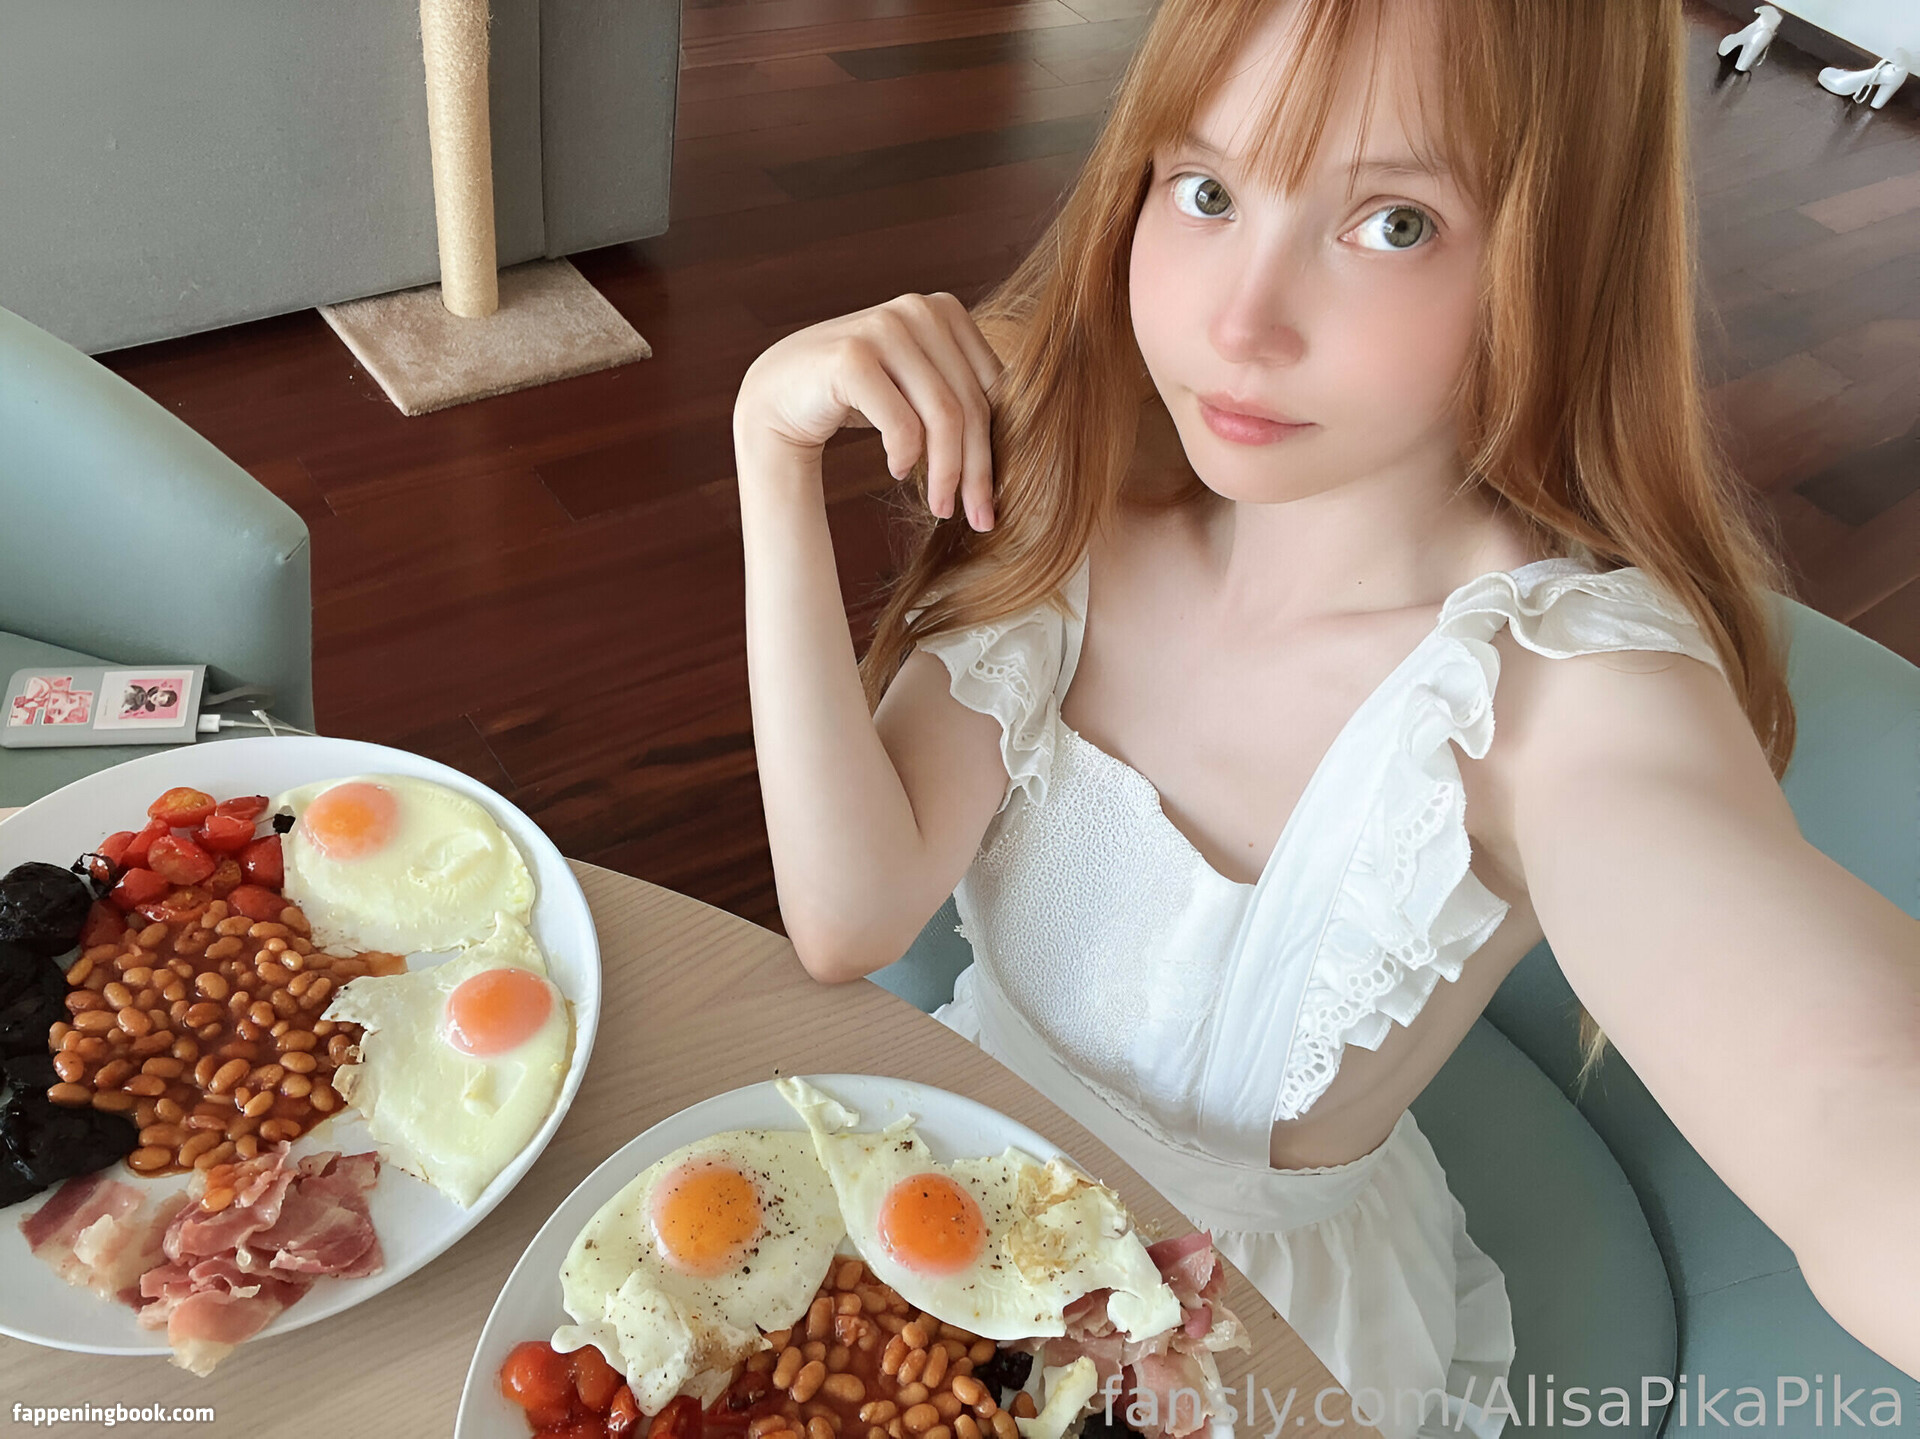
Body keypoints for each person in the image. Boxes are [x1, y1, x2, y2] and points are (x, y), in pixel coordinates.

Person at [730, 0, 1920, 1432]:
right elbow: (849, 915)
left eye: (1393, 224)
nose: (1240, 326)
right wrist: (768, 446)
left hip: (1255, 1345)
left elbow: (1856, 1106)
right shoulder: (1079, 490)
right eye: (1205, 190)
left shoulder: (1552, 698)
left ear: (1563, 256)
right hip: (952, 1187)